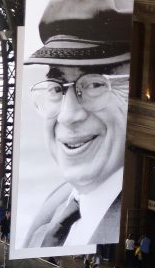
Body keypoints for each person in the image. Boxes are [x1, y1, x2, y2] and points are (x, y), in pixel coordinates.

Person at [16, 0, 131, 252]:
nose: (68, 116)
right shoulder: (53, 207)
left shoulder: (131, 222)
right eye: (57, 88)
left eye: (95, 85)